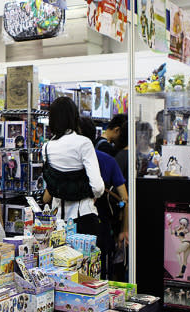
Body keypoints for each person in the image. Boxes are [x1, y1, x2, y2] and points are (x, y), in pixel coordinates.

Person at [42, 97, 104, 237]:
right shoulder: (84, 143)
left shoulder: (46, 148)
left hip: (57, 221)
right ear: (74, 116)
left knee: (61, 258)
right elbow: (98, 187)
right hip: (84, 216)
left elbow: (51, 185)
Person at [79, 117, 129, 280]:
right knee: (101, 272)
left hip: (76, 225)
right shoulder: (107, 160)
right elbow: (125, 198)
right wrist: (124, 230)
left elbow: (47, 196)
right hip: (103, 225)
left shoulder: (72, 160)